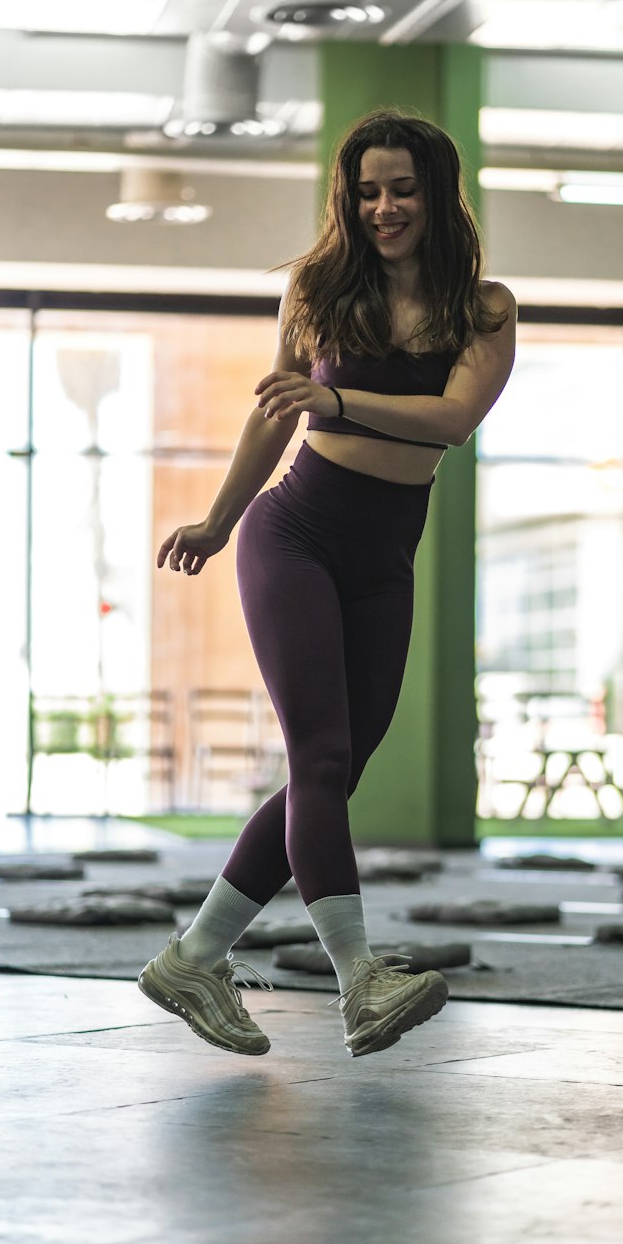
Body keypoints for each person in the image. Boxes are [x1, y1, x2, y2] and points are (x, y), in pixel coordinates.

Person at [138, 109, 517, 1058]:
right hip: (295, 530)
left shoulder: (485, 309)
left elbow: (452, 418)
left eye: (403, 188)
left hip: (385, 558)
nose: (384, 206)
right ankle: (361, 981)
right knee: (318, 757)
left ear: (438, 193)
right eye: (367, 189)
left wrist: (337, 397)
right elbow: (275, 415)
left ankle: (195, 957)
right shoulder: (317, 289)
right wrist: (219, 521)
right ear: (348, 199)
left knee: (333, 771)